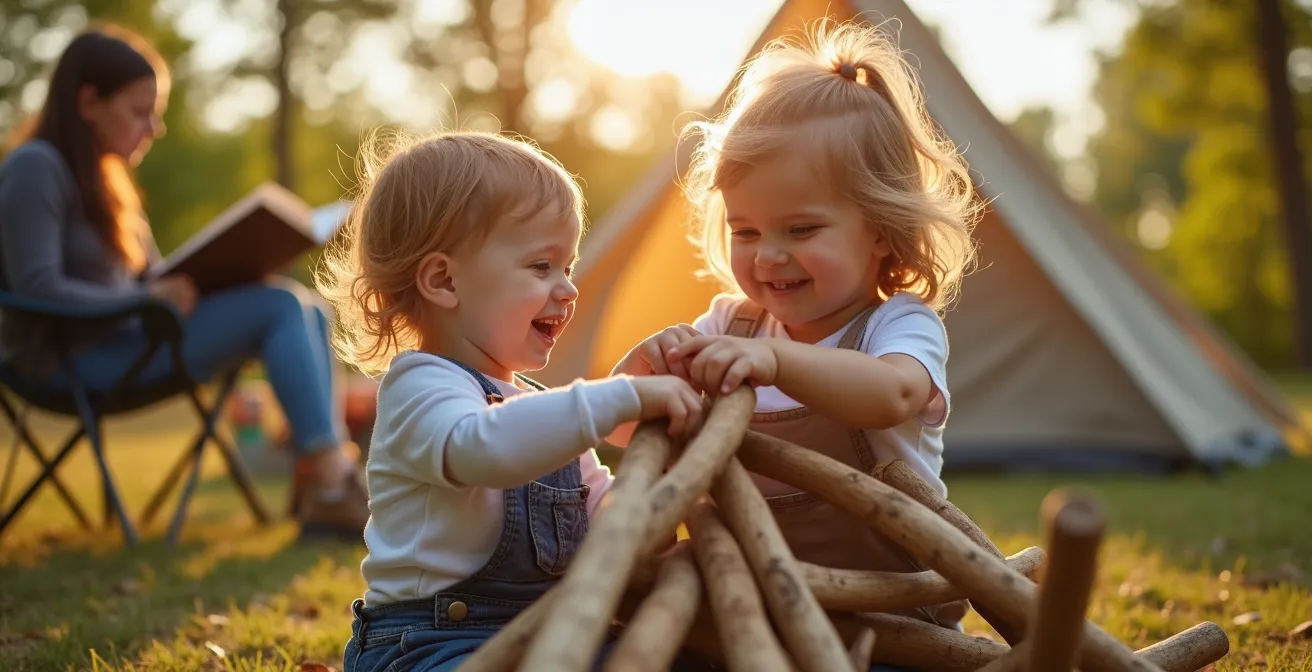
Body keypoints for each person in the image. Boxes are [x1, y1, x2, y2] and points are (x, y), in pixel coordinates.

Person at [611, 19, 982, 669]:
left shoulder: (898, 324)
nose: (768, 256)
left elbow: (894, 394)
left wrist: (777, 360)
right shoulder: (731, 324)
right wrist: (652, 361)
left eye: (801, 229)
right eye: (746, 231)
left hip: (893, 612)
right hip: (753, 601)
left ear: (882, 230)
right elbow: (619, 431)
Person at [316, 130, 707, 672]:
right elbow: (482, 448)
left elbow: (608, 521)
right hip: (429, 644)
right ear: (444, 281)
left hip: (551, 634)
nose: (568, 289)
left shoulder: (542, 411)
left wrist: (662, 467)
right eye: (542, 266)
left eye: (568, 266)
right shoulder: (419, 386)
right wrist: (618, 396)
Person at [0, 25, 367, 538]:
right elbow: (37, 287)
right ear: (88, 103)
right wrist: (145, 296)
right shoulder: (35, 167)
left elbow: (151, 276)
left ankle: (326, 480)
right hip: (72, 360)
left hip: (133, 342)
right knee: (281, 305)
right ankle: (333, 480)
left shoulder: (112, 183)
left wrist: (230, 268)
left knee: (311, 308)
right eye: (139, 111)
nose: (154, 128)